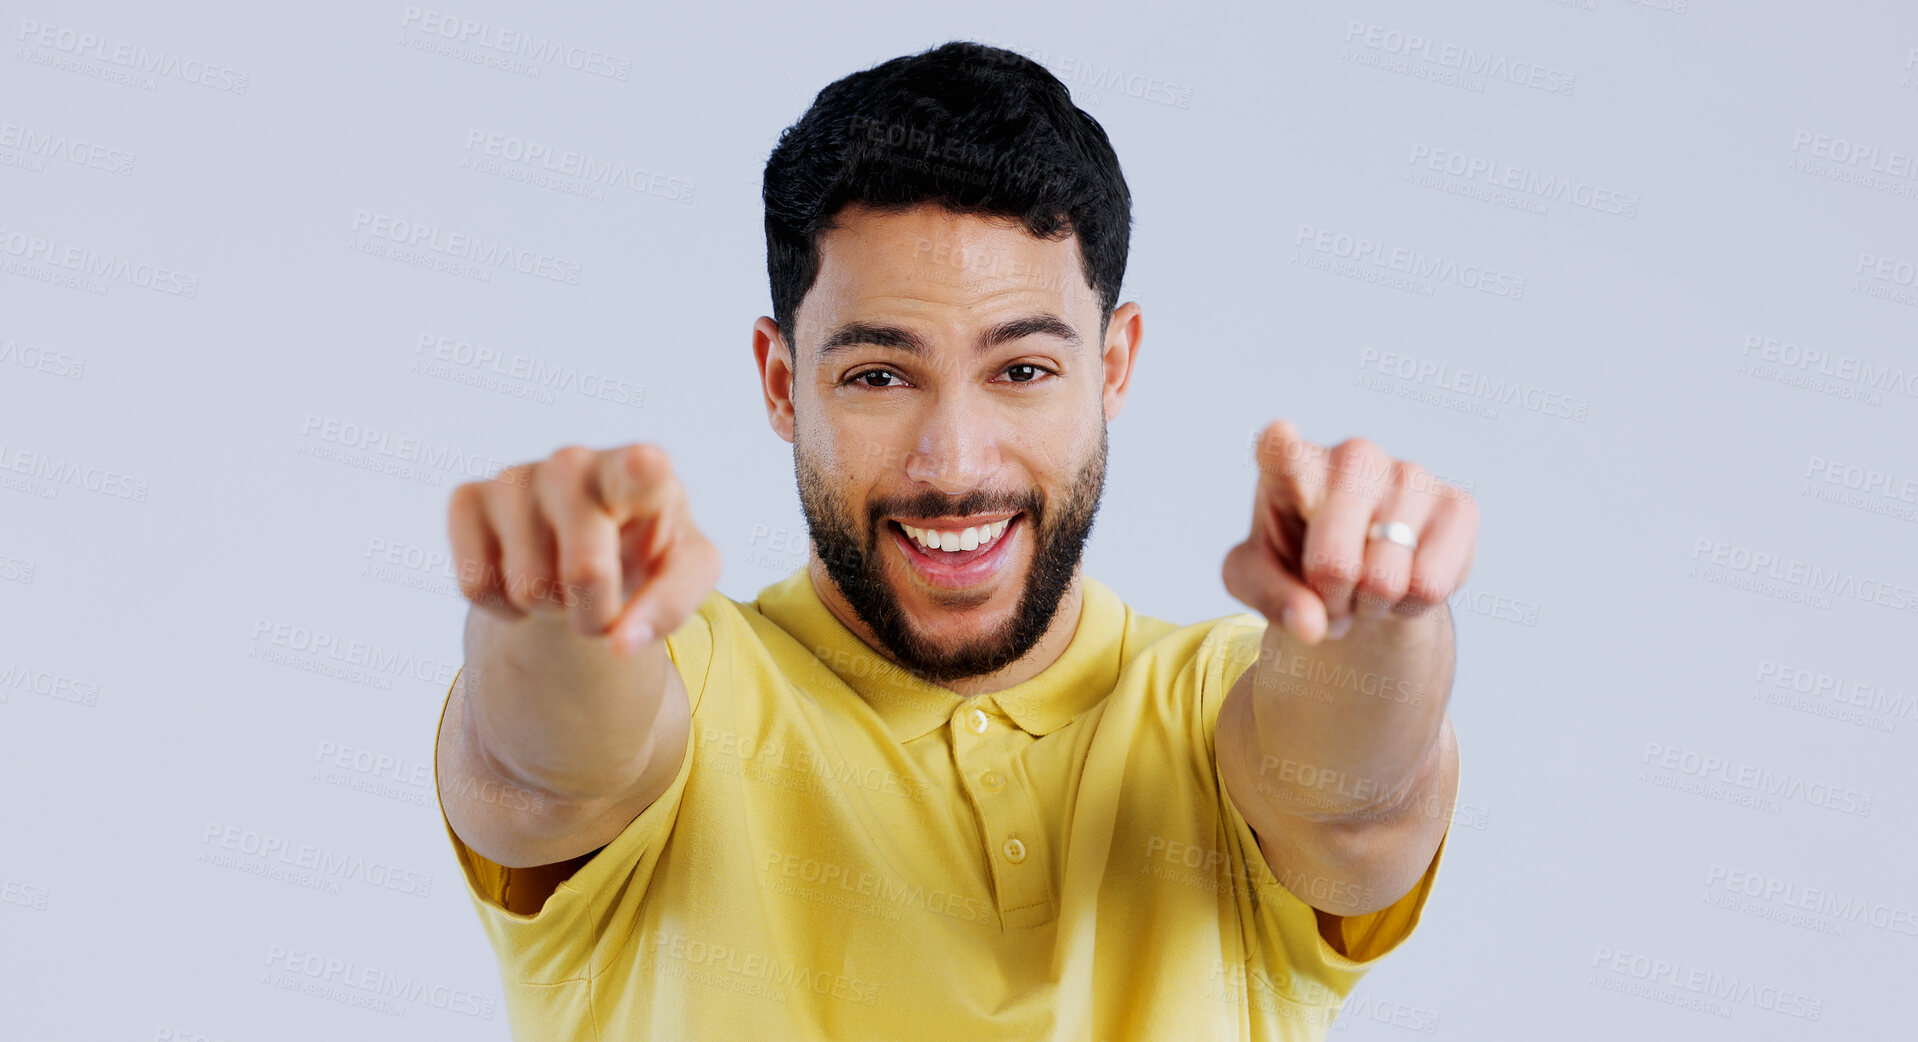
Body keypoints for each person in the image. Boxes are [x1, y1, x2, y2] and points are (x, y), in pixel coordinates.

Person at [433, 38, 1470, 1041]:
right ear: (782, 382)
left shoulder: (1211, 710)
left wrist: (1373, 616)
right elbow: (546, 774)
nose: (955, 462)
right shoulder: (696, 688)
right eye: (879, 375)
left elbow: (1349, 808)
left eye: (1021, 370)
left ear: (1113, 367)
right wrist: (555, 617)